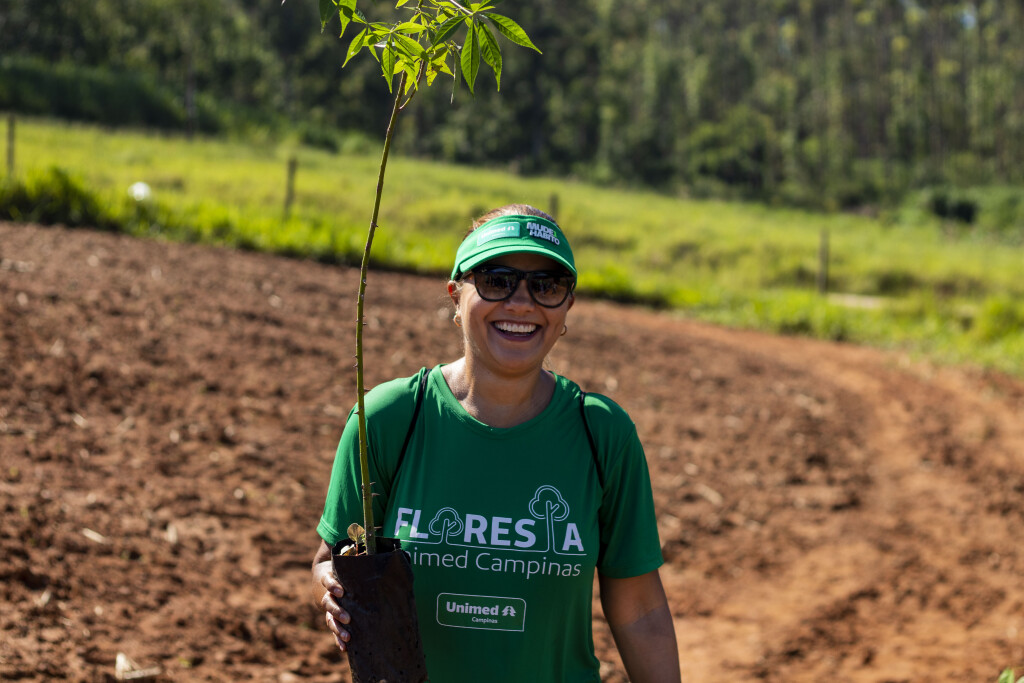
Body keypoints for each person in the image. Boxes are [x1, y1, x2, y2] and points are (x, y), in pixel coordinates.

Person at [311, 204, 680, 682]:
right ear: (455, 295)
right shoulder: (387, 419)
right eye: (496, 280)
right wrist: (330, 586)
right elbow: (330, 559)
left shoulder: (602, 434)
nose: (521, 303)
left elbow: (640, 607)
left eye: (546, 286)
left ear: (567, 306)